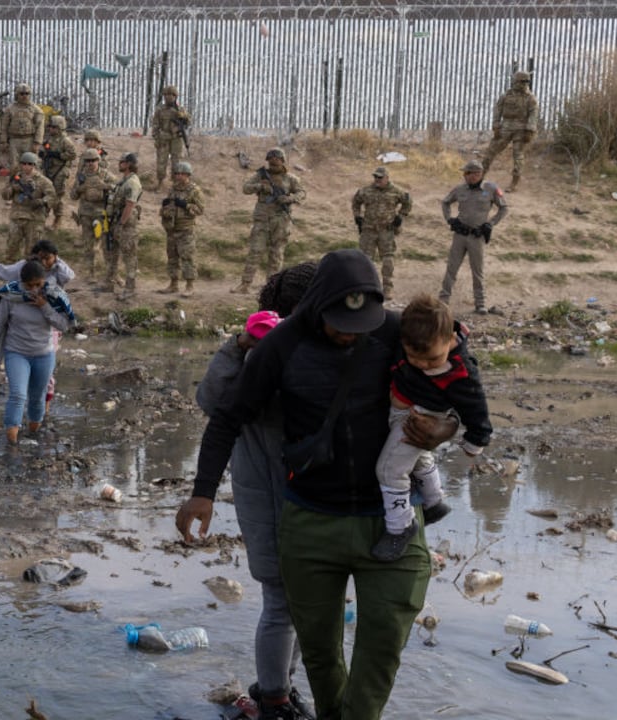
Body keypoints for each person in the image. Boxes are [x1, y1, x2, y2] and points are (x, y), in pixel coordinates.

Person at [177, 249, 456, 720]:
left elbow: (455, 376)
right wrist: (203, 491)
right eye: (338, 322)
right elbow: (222, 413)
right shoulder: (279, 345)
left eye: (359, 322)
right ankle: (276, 697)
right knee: (311, 637)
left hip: (387, 516)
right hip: (303, 510)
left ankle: (297, 699)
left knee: (383, 640)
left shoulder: (394, 332)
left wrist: (445, 429)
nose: (349, 333)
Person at [194, 263, 318, 720]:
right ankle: (273, 698)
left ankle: (280, 688)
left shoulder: (322, 350)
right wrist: (239, 346)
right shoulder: (256, 351)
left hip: (309, 496)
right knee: (282, 598)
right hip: (262, 493)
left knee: (309, 600)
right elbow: (212, 405)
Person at [372, 294, 491, 561]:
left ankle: (400, 526)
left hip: (419, 418)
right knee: (416, 458)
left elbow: (476, 406)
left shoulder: (460, 371)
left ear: (451, 340)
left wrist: (476, 439)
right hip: (402, 409)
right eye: (416, 358)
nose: (423, 365)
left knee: (389, 470)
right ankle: (434, 501)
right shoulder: (410, 342)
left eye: (432, 359)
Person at [0, 260, 72, 446]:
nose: (34, 289)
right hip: (17, 353)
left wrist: (44, 306)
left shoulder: (53, 297)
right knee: (18, 395)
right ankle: (12, 444)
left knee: (37, 397)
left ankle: (32, 435)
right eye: (29, 286)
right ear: (22, 283)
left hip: (44, 354)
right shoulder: (11, 298)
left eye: (38, 285)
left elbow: (63, 325)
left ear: (43, 281)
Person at [439, 160, 508, 315]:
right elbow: (445, 202)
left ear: (478, 174)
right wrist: (450, 219)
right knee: (452, 268)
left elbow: (503, 208)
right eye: (465, 173)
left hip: (477, 237)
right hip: (460, 234)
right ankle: (443, 300)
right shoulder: (460, 189)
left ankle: (480, 303)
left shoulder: (491, 189)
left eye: (468, 173)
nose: (465, 176)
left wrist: (490, 224)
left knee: (477, 271)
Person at [234, 148, 306, 295]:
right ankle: (245, 284)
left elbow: (302, 192)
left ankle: (272, 287)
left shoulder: (290, 178)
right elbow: (245, 188)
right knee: (255, 251)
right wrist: (260, 186)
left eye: (277, 160)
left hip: (281, 221)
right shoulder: (261, 175)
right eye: (271, 161)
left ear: (283, 161)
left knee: (276, 254)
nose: (274, 163)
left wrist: (289, 198)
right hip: (262, 220)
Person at [351, 167, 412, 301]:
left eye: (380, 177)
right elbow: (355, 202)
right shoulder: (366, 190)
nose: (377, 180)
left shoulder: (396, 191)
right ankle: (366, 286)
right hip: (368, 230)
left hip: (387, 231)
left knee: (388, 259)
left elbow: (407, 202)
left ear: (387, 178)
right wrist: (357, 216)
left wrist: (400, 216)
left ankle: (387, 287)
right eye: (375, 177)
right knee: (365, 260)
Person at [482, 71, 538, 192]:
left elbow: (533, 115)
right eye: (521, 81)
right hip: (506, 126)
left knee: (518, 156)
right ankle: (479, 177)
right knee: (491, 151)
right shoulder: (506, 96)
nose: (523, 84)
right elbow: (498, 110)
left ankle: (514, 183)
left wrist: (530, 130)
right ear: (515, 81)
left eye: (525, 82)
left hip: (521, 129)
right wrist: (496, 125)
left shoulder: (530, 98)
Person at [158, 161, 207, 297]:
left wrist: (186, 205)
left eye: (181, 174)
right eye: (177, 173)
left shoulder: (194, 191)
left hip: (185, 229)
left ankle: (189, 286)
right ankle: (173, 284)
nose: (178, 176)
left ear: (187, 175)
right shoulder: (173, 189)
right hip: (172, 229)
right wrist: (165, 205)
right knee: (172, 257)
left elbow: (200, 209)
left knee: (187, 257)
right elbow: (168, 205)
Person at [0, 152, 55, 262]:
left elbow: (52, 196)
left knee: (32, 252)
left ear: (34, 165)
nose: (26, 166)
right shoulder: (15, 178)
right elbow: (5, 195)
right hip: (17, 217)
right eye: (24, 163)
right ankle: (10, 272)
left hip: (34, 219)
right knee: (11, 248)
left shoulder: (42, 181)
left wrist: (42, 201)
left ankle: (30, 275)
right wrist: (13, 189)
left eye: (29, 164)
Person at [70, 148, 115, 277]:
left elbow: (118, 188)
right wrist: (80, 189)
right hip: (85, 215)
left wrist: (105, 186)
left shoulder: (106, 175)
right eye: (87, 161)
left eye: (93, 160)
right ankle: (91, 273)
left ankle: (109, 273)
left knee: (103, 242)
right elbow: (72, 196)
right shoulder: (81, 177)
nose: (90, 163)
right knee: (88, 245)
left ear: (98, 161)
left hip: (101, 214)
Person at [104, 152, 143, 298]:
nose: (119, 164)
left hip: (126, 227)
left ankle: (130, 289)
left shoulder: (132, 182)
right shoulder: (124, 181)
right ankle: (110, 283)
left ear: (128, 164)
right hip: (116, 223)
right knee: (112, 254)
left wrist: (121, 223)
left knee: (129, 257)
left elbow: (130, 205)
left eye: (121, 162)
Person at [38, 115, 77, 228]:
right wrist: (43, 154)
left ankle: (58, 219)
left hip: (60, 170)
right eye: (50, 127)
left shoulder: (65, 141)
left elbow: (72, 155)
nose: (50, 129)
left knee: (57, 195)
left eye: (53, 127)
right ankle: (42, 218)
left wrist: (58, 155)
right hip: (48, 169)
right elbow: (44, 151)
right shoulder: (50, 139)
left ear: (59, 128)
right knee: (46, 193)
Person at [150, 85, 190, 190]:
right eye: (167, 95)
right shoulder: (160, 109)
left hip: (176, 139)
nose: (169, 97)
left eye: (172, 95)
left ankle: (176, 184)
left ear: (175, 96)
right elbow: (155, 124)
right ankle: (160, 182)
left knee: (176, 162)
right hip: (163, 138)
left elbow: (187, 122)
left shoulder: (180, 109)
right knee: (161, 161)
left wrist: (183, 118)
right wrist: (156, 137)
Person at [3, 83, 45, 163]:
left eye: (27, 94)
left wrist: (37, 142)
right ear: (17, 95)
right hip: (14, 141)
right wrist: (4, 141)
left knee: (30, 164)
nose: (24, 96)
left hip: (29, 140)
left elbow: (40, 127)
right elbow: (4, 126)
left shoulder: (36, 110)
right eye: (22, 94)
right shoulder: (10, 109)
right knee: (14, 165)